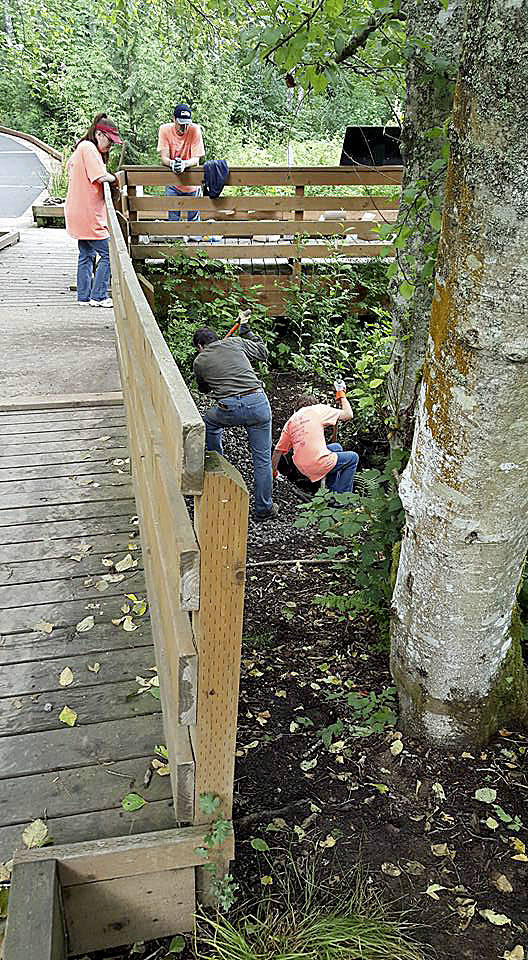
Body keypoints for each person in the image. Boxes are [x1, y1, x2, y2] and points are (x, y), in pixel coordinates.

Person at [193, 316, 278, 521]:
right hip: (258, 404)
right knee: (262, 459)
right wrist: (246, 329)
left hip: (229, 408)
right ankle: (264, 508)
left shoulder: (199, 361)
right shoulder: (235, 342)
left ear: (200, 346)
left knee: (210, 422)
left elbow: (204, 388)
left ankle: (218, 461)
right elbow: (262, 352)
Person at [64, 113, 122, 308]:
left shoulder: (81, 148)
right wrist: (115, 179)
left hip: (79, 211)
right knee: (108, 255)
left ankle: (83, 296)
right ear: (99, 134)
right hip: (89, 214)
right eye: (109, 140)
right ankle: (98, 296)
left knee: (86, 255)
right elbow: (100, 176)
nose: (110, 146)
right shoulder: (88, 148)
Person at [272, 381, 359, 495]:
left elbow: (277, 452)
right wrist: (341, 393)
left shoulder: (290, 421)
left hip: (301, 467)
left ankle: (331, 491)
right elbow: (348, 414)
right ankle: (342, 499)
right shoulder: (317, 410)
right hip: (317, 463)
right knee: (353, 458)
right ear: (314, 404)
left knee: (336, 447)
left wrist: (273, 473)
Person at [157, 104, 205, 223]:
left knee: (194, 224)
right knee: (173, 223)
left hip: (192, 182)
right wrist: (172, 164)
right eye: (181, 124)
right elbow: (164, 157)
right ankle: (174, 239)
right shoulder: (164, 130)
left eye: (186, 124)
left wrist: (184, 164)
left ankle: (194, 239)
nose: (184, 127)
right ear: (174, 119)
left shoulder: (195, 129)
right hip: (173, 181)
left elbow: (196, 159)